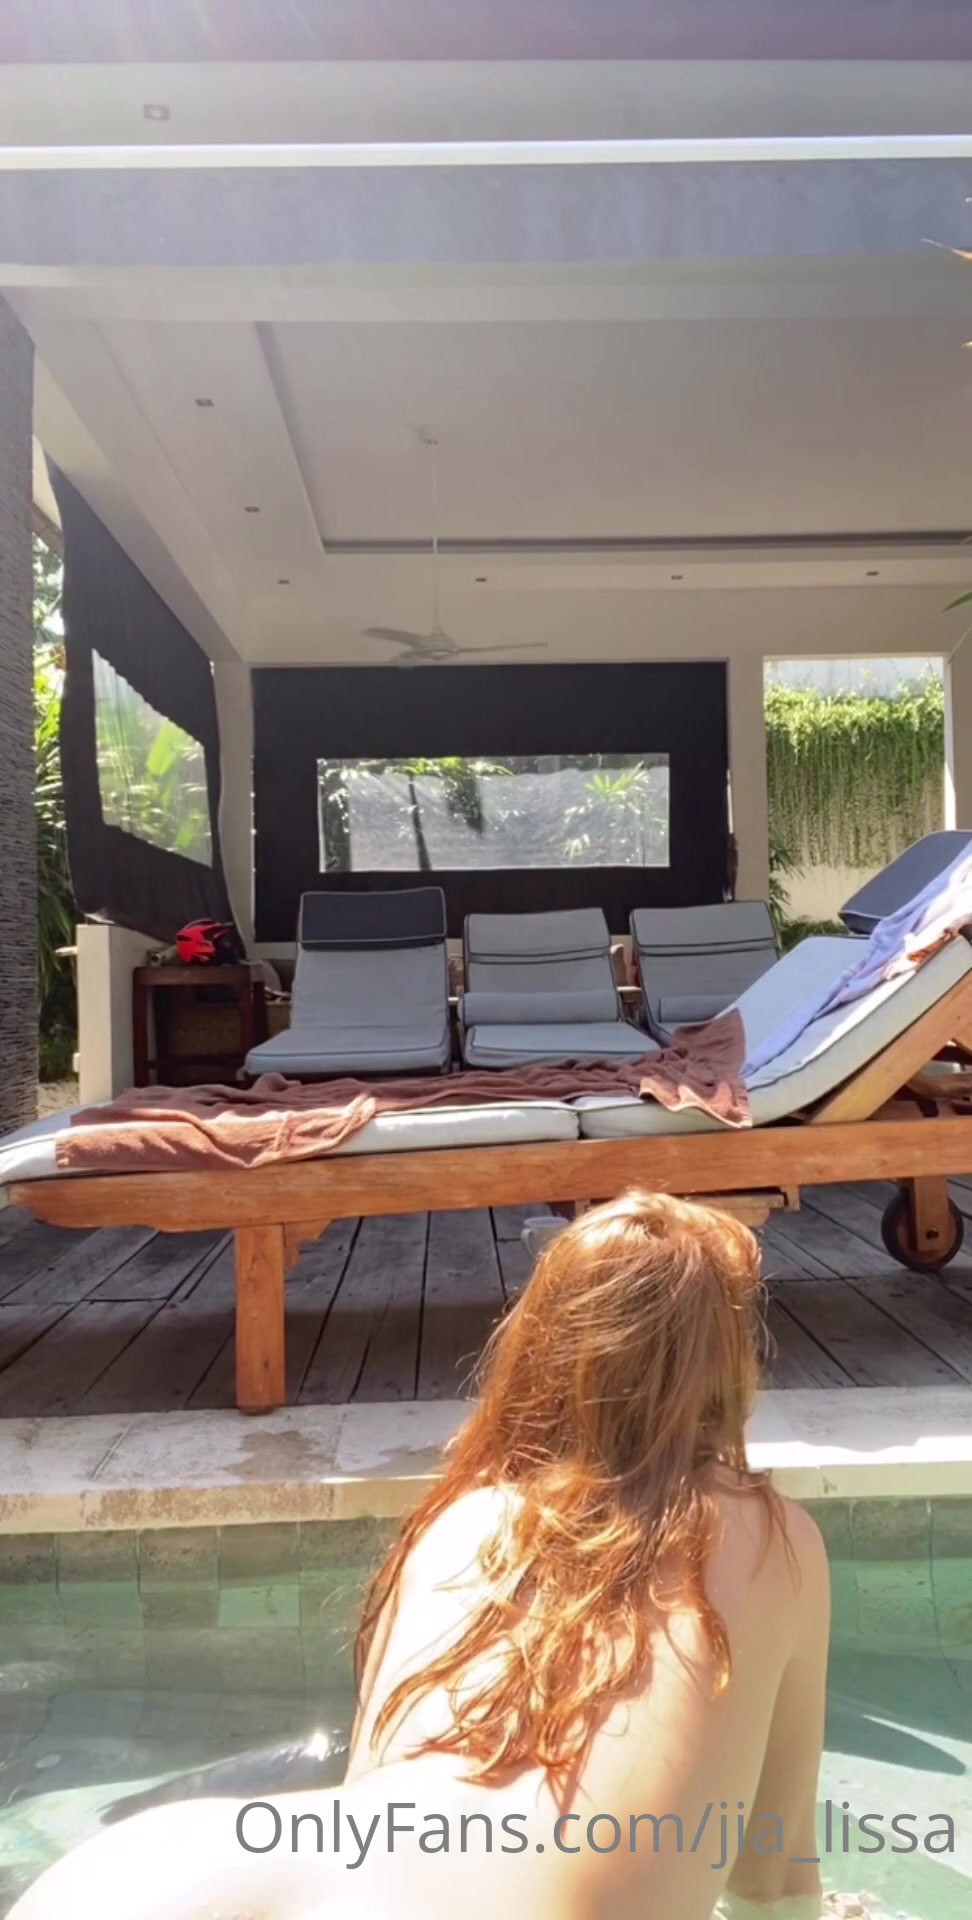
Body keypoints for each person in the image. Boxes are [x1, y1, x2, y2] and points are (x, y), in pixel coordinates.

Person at [11, 1192, 831, 1920]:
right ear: (731, 1367)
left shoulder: (460, 1517)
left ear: (542, 1348)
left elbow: (375, 1776)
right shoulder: (776, 1541)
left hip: (163, 1869)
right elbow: (774, 1882)